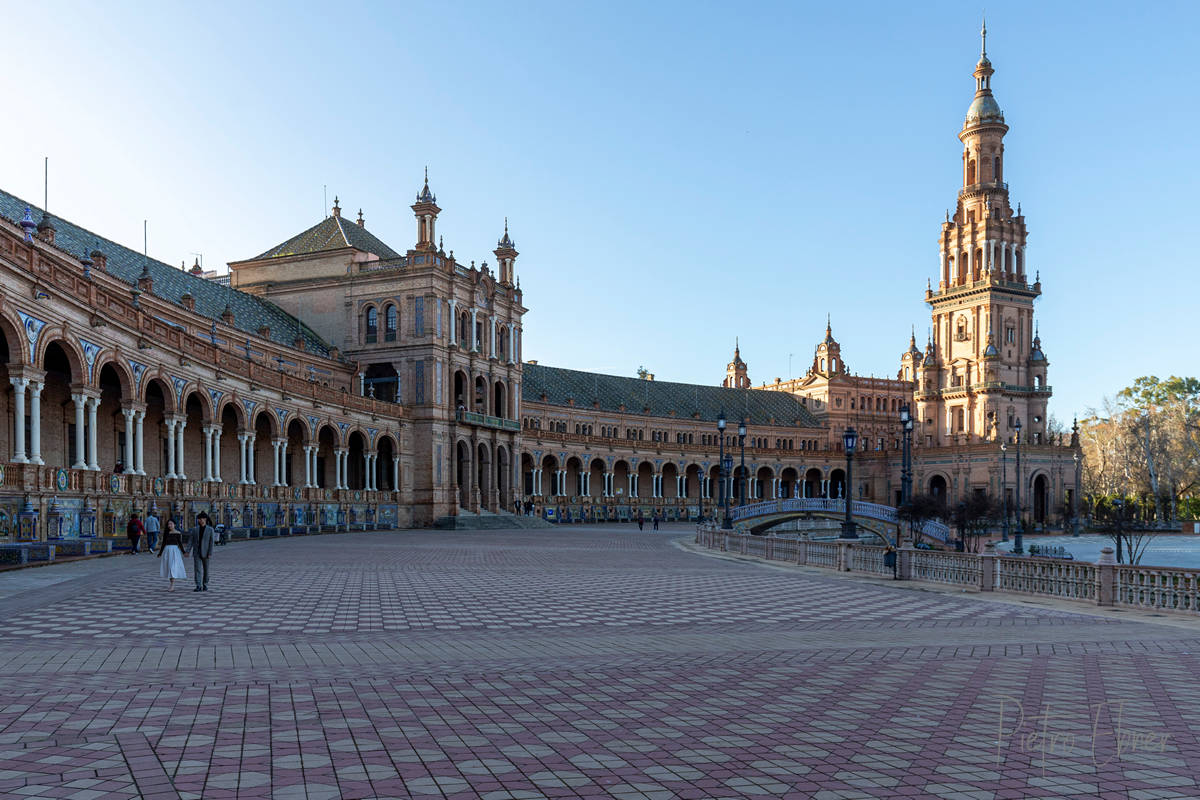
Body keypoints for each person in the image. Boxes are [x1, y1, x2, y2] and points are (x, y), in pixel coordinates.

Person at [157, 518, 187, 591]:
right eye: (168, 524)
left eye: (171, 524)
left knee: (172, 567)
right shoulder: (166, 533)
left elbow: (180, 543)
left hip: (175, 552)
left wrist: (184, 552)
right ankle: (171, 584)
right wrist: (160, 553)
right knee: (169, 567)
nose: (169, 525)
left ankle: (172, 585)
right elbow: (163, 543)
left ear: (175, 525)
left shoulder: (178, 533)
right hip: (167, 551)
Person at [191, 511, 215, 592]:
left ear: (205, 519)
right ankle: (198, 585)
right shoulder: (195, 529)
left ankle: (205, 584)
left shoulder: (210, 529)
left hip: (206, 552)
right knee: (197, 569)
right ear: (198, 520)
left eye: (203, 518)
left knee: (206, 569)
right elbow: (191, 541)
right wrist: (187, 551)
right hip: (197, 552)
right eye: (200, 519)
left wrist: (210, 553)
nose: (201, 520)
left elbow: (211, 542)